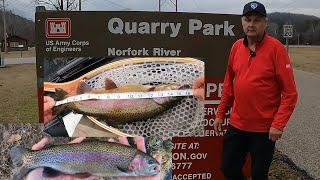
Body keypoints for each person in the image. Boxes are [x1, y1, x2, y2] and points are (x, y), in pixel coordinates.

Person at [193, 1, 298, 179]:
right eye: (248, 19)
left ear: (265, 23)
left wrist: (278, 125)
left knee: (258, 175)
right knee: (228, 168)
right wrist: (221, 113)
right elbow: (229, 84)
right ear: (242, 22)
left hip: (264, 130)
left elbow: (290, 94)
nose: (251, 24)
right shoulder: (236, 47)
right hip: (237, 126)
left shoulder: (277, 49)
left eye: (257, 20)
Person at [26, 136, 161, 180]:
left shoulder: (129, 165)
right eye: (150, 162)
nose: (154, 165)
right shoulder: (128, 168)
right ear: (135, 162)